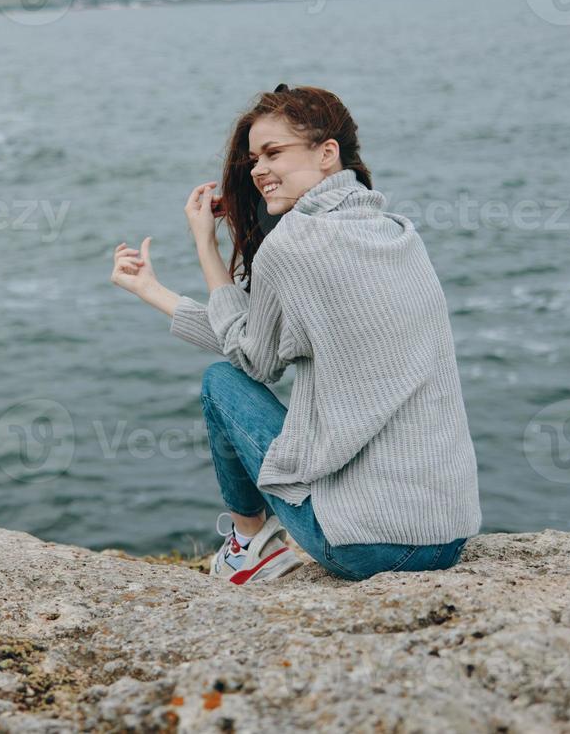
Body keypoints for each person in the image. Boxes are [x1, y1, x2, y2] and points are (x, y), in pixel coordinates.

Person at [109, 84, 481, 584]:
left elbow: (252, 360)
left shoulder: (292, 246)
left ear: (328, 153)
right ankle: (253, 545)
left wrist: (206, 247)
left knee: (222, 381)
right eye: (253, 159)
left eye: (273, 152)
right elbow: (263, 336)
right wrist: (153, 291)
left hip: (366, 548)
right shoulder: (397, 233)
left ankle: (249, 546)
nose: (258, 169)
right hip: (448, 536)